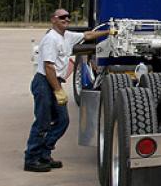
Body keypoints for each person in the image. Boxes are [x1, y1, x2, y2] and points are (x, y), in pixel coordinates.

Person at [23, 9, 110, 172]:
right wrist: (58, 90)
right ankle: (31, 158)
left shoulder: (67, 36)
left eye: (68, 17)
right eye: (62, 17)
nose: (66, 19)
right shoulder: (51, 39)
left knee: (62, 120)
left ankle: (44, 154)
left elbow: (88, 36)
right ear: (53, 20)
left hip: (54, 82)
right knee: (42, 122)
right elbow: (49, 67)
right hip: (44, 83)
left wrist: (109, 32)